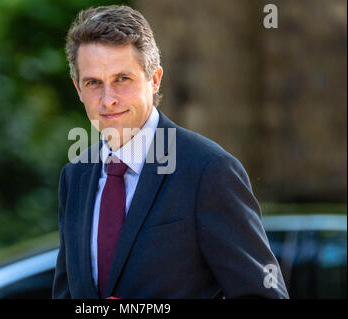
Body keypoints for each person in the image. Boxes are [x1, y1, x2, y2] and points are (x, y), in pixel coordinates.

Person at [52, 5, 289, 299]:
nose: (108, 99)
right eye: (93, 83)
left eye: (122, 79)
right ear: (78, 88)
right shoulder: (75, 176)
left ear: (154, 79)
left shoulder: (209, 171)